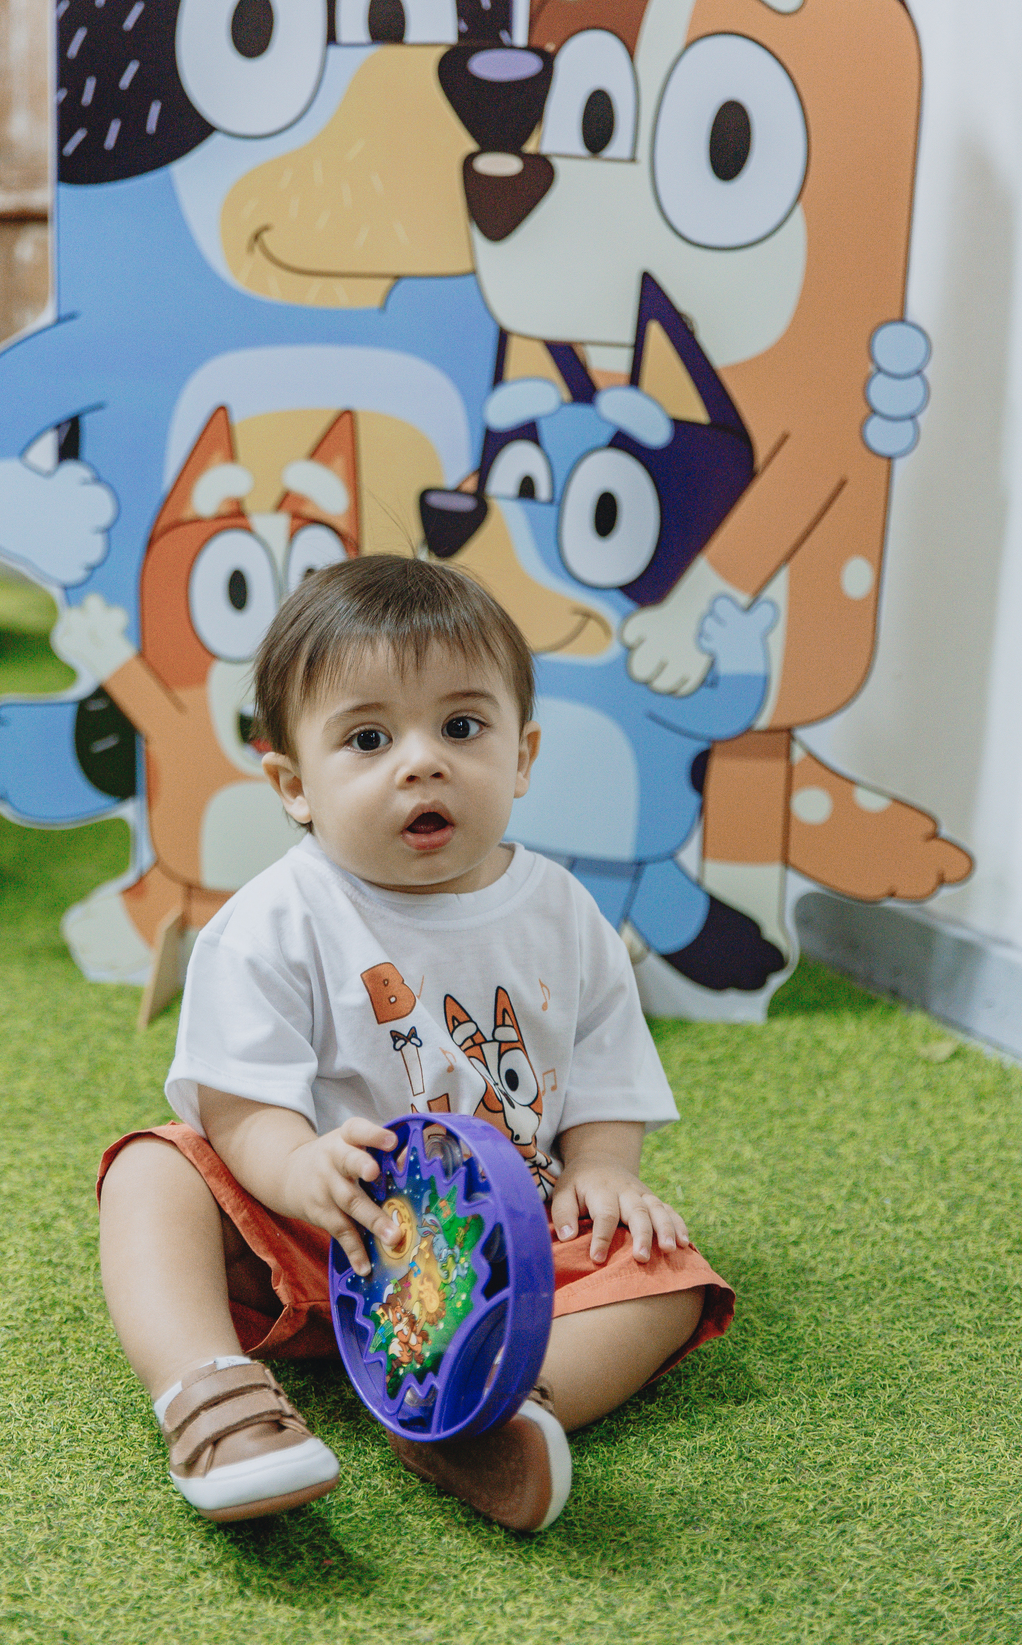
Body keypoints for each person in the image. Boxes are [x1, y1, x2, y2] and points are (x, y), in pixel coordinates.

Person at [98, 555, 734, 1532]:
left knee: (670, 1275)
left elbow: (607, 1067)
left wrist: (603, 1169)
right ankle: (210, 1392)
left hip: (498, 1253)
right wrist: (297, 1169)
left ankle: (485, 1412)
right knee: (155, 1171)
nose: (421, 762)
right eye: (368, 738)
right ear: (294, 784)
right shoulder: (274, 920)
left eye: (462, 727)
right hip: (328, 1232)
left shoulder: (564, 913)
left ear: (522, 757)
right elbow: (237, 1102)